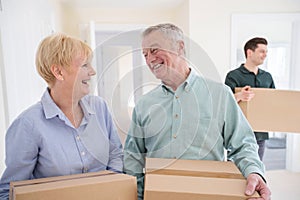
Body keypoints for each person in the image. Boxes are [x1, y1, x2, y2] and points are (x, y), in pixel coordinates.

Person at [123, 23, 271, 200]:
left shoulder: (220, 94)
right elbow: (133, 157)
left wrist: (254, 172)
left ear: (179, 47)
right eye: (145, 54)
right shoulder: (144, 104)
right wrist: (137, 195)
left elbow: (243, 144)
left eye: (154, 50)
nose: (149, 60)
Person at [0, 33, 123, 199]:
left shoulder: (99, 107)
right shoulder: (28, 124)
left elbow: (115, 154)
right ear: (58, 72)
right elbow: (9, 192)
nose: (92, 72)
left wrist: (111, 189)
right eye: (85, 65)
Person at [225, 37, 275, 161]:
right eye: (262, 51)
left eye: (266, 52)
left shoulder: (267, 77)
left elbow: (274, 102)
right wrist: (239, 96)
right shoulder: (233, 76)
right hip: (238, 132)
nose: (265, 55)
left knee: (256, 168)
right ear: (249, 52)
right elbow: (224, 103)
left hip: (260, 133)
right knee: (236, 169)